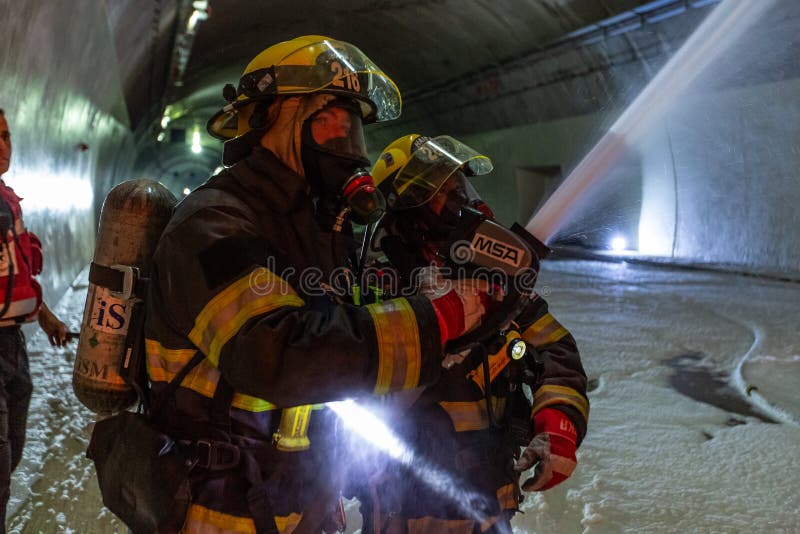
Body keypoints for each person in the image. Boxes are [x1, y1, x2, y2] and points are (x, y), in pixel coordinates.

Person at [143, 37, 488, 533]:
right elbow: (277, 355)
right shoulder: (215, 222)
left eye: (352, 128)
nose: (348, 144)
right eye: (329, 121)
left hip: (298, 498)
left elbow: (345, 341)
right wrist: (433, 322)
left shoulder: (321, 230)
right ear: (274, 121)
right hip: (218, 508)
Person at [346, 134, 589, 533]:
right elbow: (342, 383)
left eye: (459, 185)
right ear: (405, 209)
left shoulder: (492, 281)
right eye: (442, 191)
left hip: (491, 504)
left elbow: (555, 347)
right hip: (403, 507)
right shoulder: (370, 286)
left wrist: (558, 424)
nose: (461, 200)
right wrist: (429, 330)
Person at [0, 108, 69, 531]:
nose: (2, 146)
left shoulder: (7, 199)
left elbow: (16, 275)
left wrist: (45, 317)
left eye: (5, 135)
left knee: (12, 454)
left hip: (13, 347)